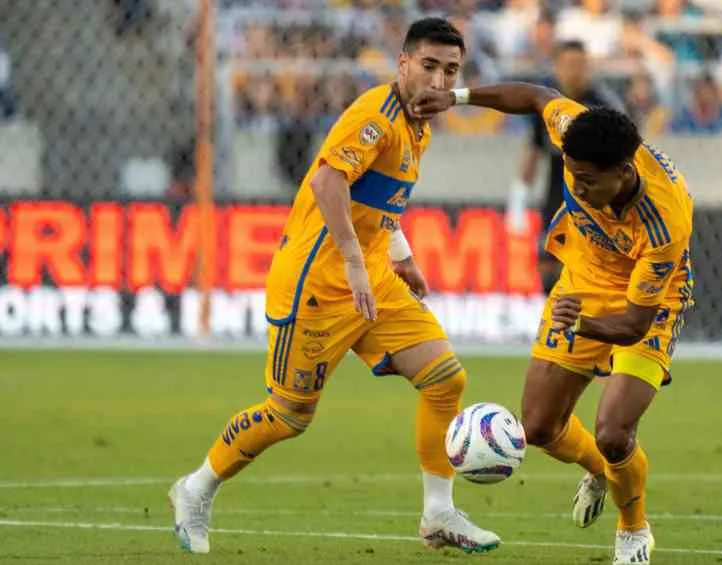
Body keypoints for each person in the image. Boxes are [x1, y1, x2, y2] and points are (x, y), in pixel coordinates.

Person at [168, 18, 500, 555]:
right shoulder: (375, 116)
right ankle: (195, 487)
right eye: (430, 67)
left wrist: (403, 256)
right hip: (317, 283)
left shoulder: (420, 126)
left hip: (373, 276)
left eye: (451, 71)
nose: (439, 81)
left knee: (445, 380)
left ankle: (438, 514)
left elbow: (378, 201)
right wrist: (350, 260)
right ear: (403, 64)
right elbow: (328, 180)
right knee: (288, 415)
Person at [411, 80, 695, 565]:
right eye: (572, 173)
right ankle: (601, 470)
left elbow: (631, 324)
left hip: (649, 303)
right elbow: (537, 97)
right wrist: (456, 98)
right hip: (581, 283)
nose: (576, 186)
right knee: (540, 427)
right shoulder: (573, 133)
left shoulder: (664, 223)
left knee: (613, 432)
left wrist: (580, 323)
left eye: (588, 180)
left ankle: (633, 530)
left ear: (624, 173)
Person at [507, 39, 625, 295]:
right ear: (557, 67)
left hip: (595, 205)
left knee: (590, 278)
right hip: (555, 200)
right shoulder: (548, 106)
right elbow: (533, 152)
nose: (574, 70)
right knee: (548, 274)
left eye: (580, 64)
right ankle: (556, 328)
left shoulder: (603, 106)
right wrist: (517, 200)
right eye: (569, 64)